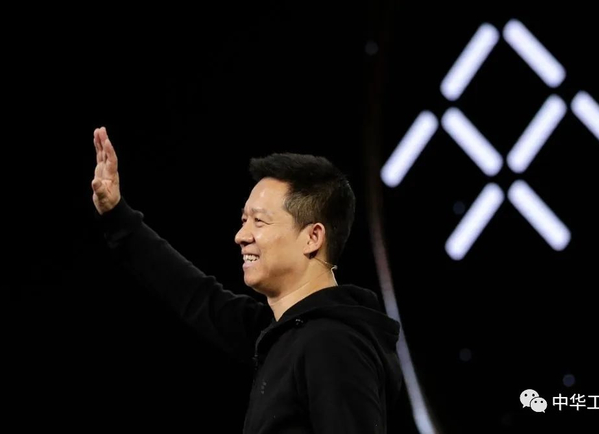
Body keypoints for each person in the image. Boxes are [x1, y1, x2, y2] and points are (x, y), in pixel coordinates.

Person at [91, 126, 403, 433]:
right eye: (244, 219)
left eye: (259, 221)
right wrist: (118, 215)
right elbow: (195, 295)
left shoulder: (333, 344)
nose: (241, 235)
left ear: (312, 238)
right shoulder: (284, 332)